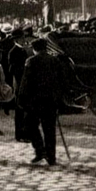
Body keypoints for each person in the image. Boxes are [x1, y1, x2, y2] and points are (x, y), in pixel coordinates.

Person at [17, 38, 65, 166]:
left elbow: (25, 82)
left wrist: (21, 98)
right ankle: (51, 157)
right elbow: (61, 81)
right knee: (49, 129)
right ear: (45, 48)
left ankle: (40, 150)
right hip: (51, 100)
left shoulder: (31, 61)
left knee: (30, 125)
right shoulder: (55, 60)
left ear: (34, 49)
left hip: (35, 101)